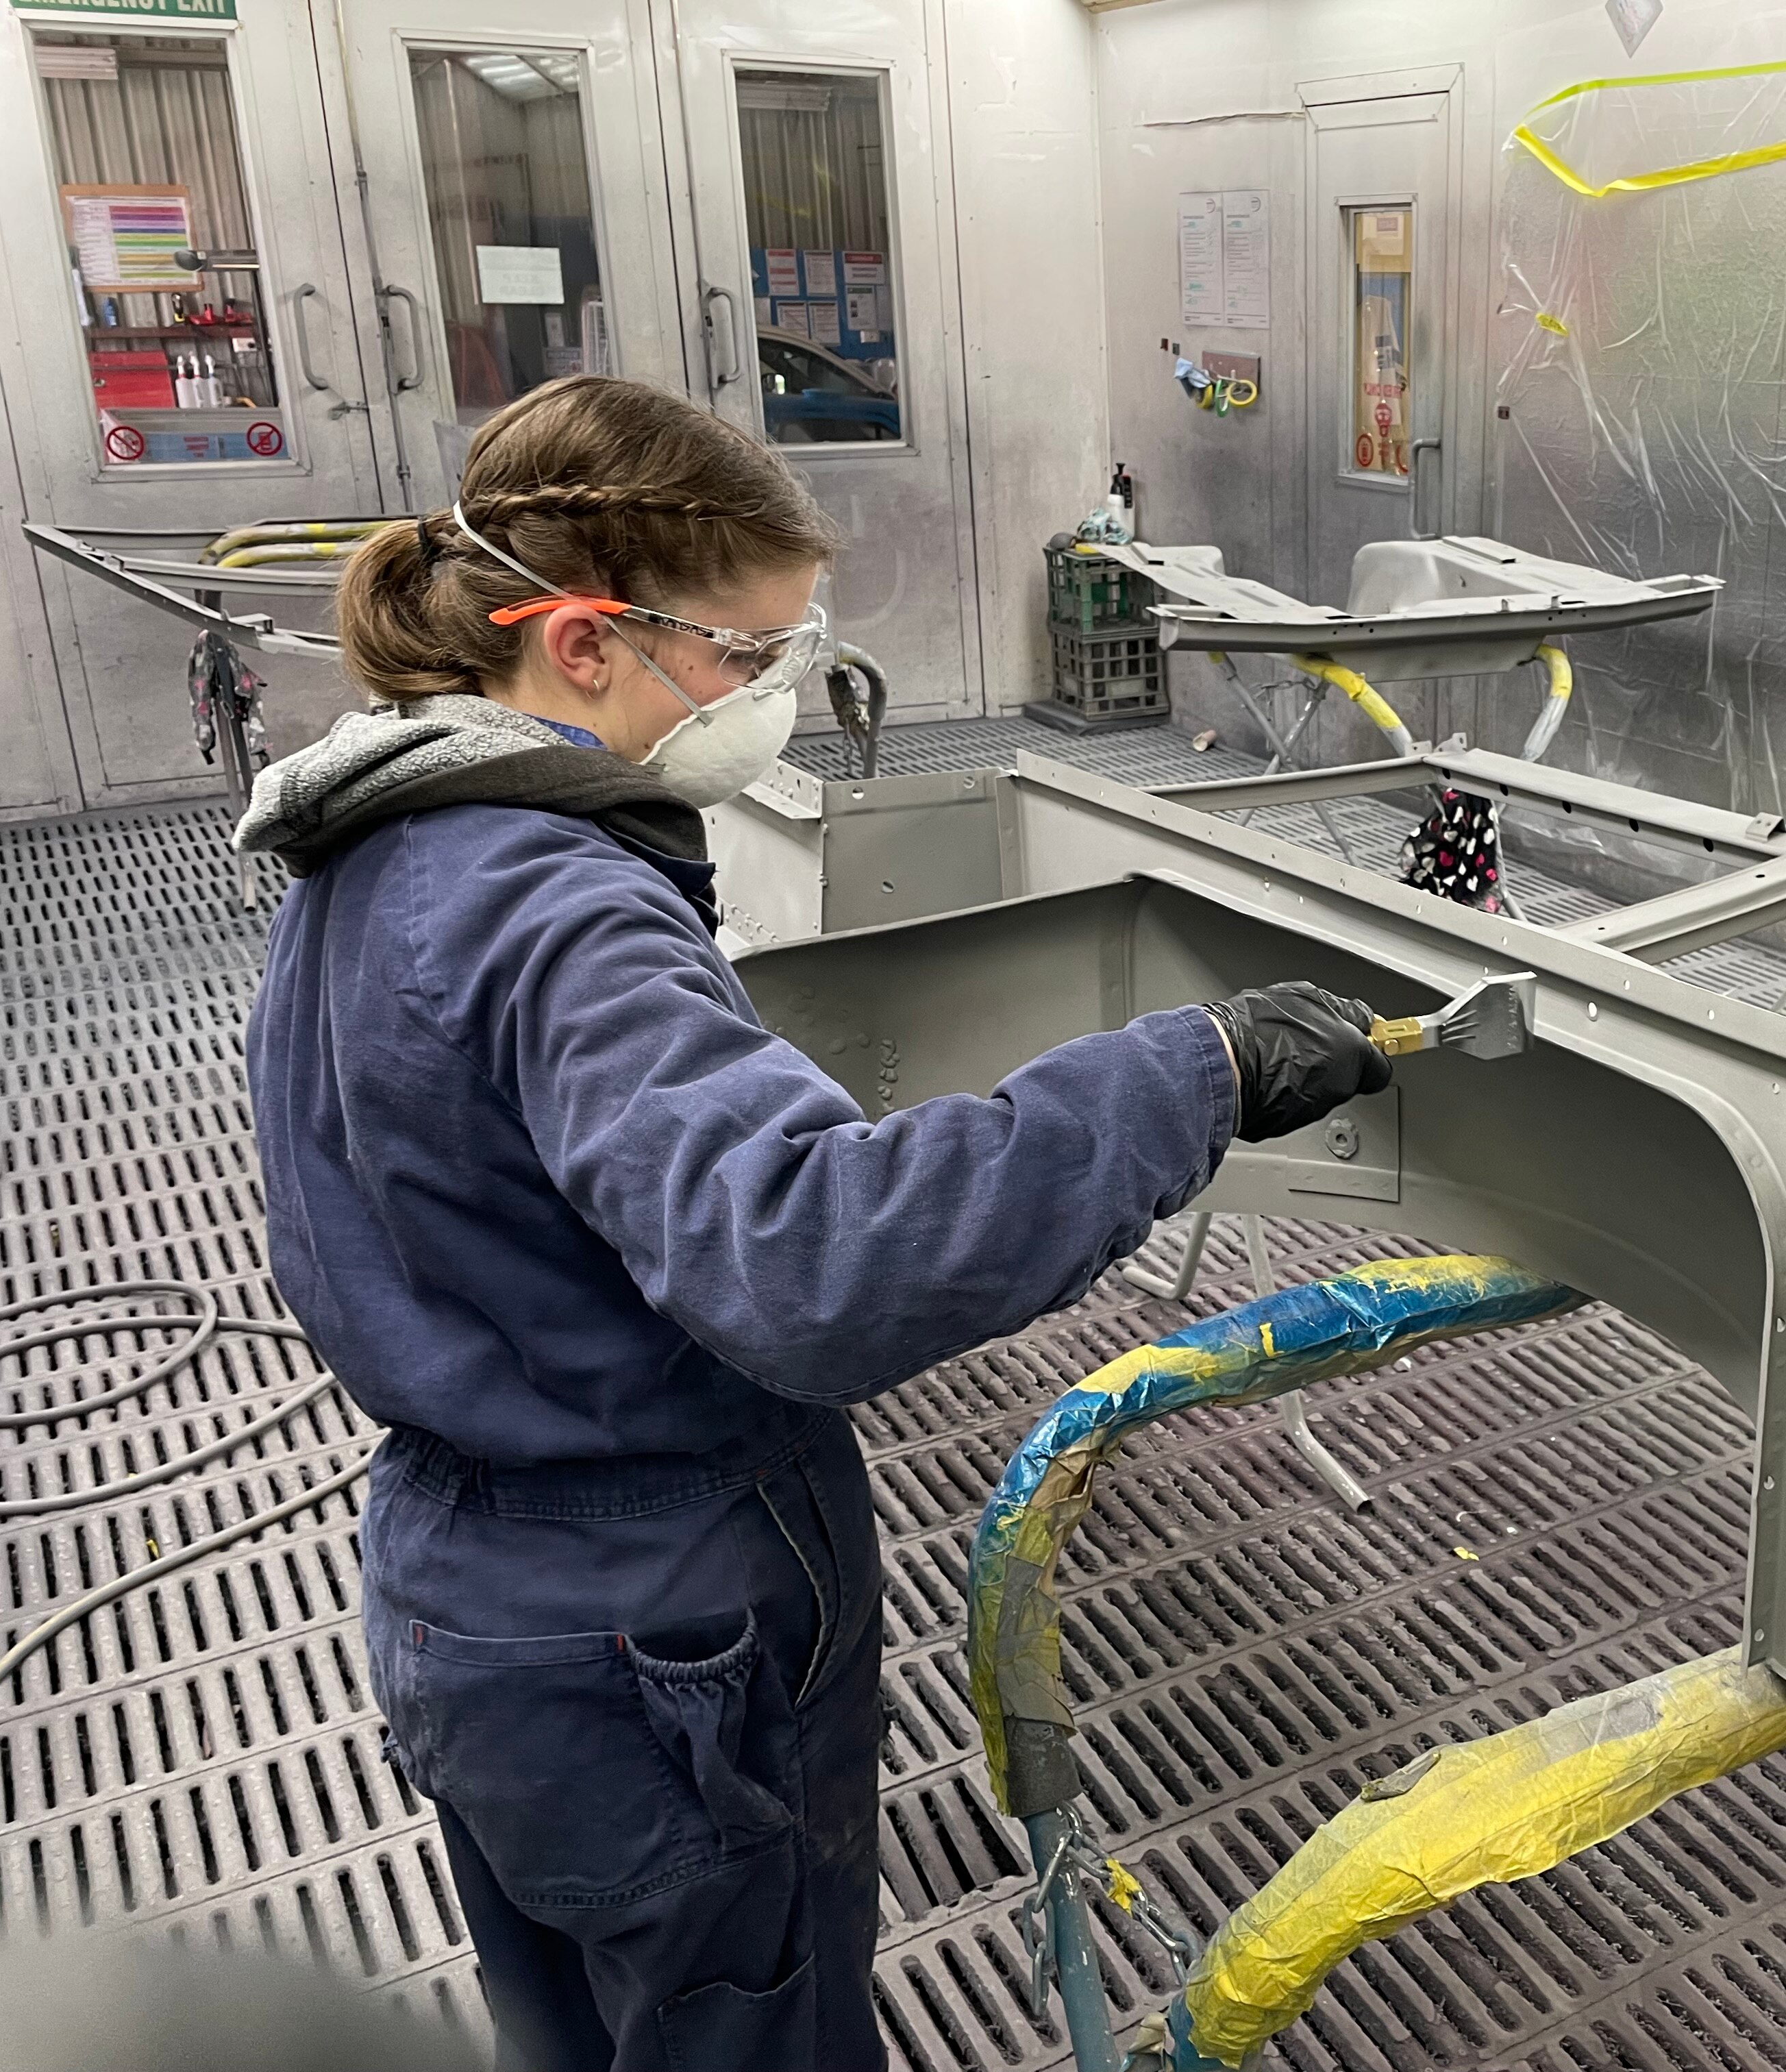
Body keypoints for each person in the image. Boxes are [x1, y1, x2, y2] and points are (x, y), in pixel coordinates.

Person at [234, 375, 1389, 2072]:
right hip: (650, 1624)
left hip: (459, 1599)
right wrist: (1188, 1079)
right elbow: (812, 1258)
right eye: (739, 656)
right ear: (578, 645)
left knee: (589, 2026)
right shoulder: (558, 908)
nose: (769, 694)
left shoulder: (378, 842)